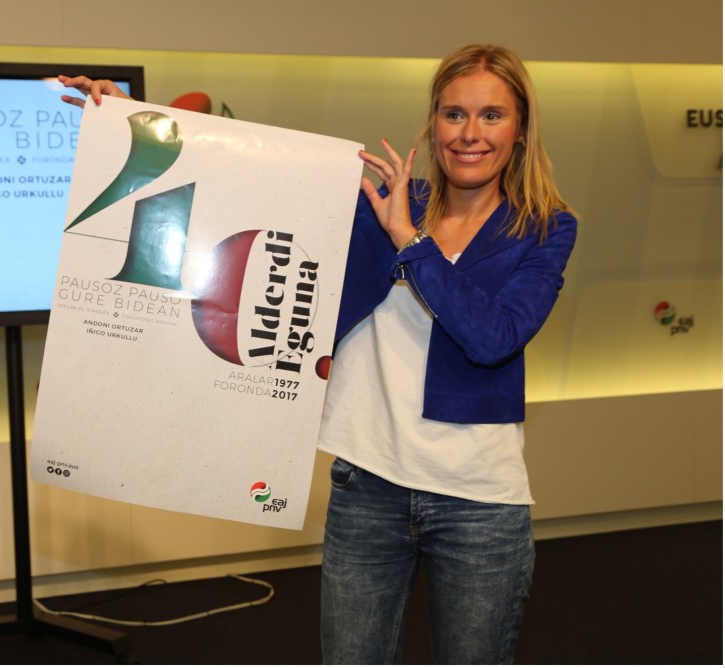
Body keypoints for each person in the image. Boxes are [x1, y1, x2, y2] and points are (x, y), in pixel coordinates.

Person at [59, 43, 577, 664]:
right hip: (365, 487)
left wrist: (410, 240)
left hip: (478, 503)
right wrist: (134, 120)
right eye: (454, 113)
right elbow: (251, 184)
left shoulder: (544, 228)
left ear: (520, 129)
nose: (470, 133)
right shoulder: (383, 201)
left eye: (491, 115)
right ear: (434, 122)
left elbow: (493, 337)